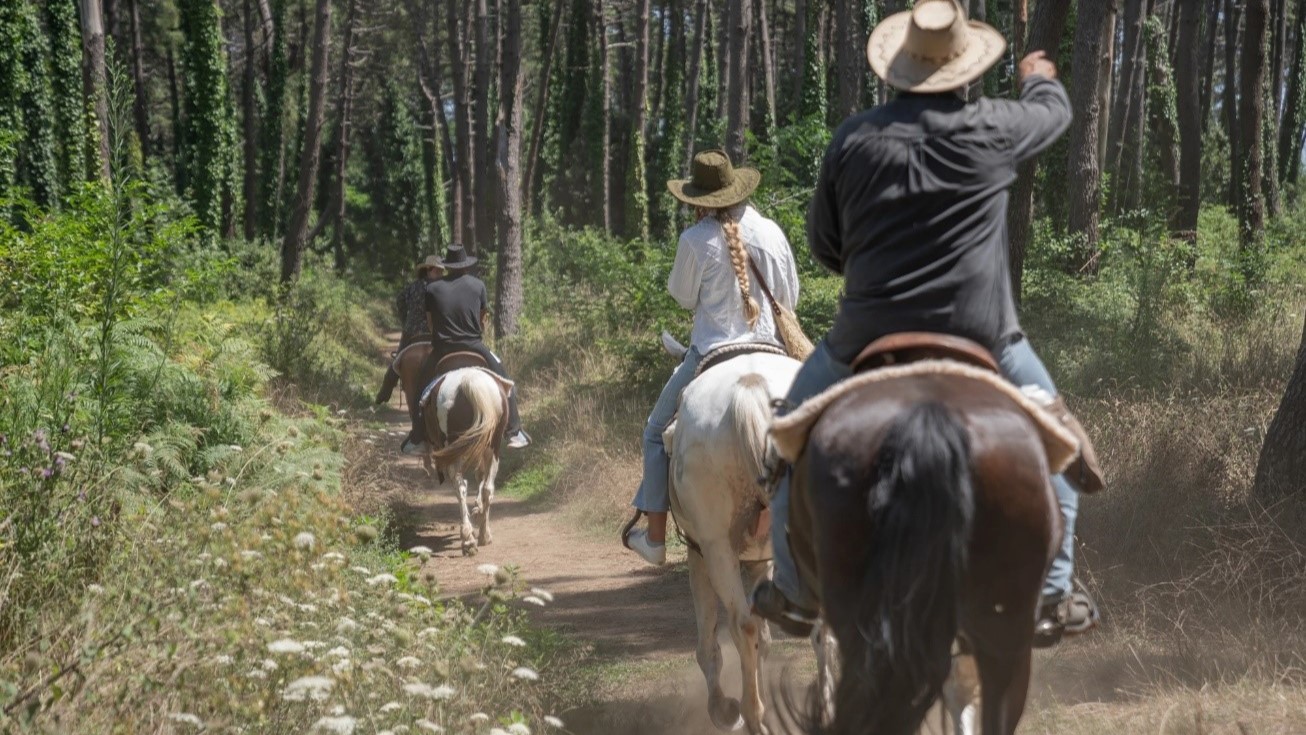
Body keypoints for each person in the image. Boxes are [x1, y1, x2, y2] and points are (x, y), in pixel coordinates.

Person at [750, 0, 1105, 646]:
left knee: (784, 447)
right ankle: (1053, 594)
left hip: (862, 341)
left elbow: (827, 243)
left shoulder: (853, 138)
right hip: (986, 337)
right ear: (966, 70)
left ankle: (797, 594)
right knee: (1063, 449)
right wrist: (1038, 76)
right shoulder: (993, 126)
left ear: (899, 70)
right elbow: (1055, 114)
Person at [622, 149, 800, 565]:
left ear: (700, 199)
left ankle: (655, 538)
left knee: (653, 431)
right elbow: (790, 298)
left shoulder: (694, 239)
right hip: (773, 348)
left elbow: (683, 298)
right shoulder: (771, 231)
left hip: (711, 352)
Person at [401, 244, 531, 454]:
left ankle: (417, 438)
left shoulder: (432, 288)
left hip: (443, 349)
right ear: (465, 265)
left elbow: (431, 322)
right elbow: (482, 321)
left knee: (420, 390)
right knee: (506, 381)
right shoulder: (478, 285)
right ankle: (514, 431)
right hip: (475, 346)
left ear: (448, 266)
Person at [376, 255, 443, 407]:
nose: (440, 274)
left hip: (411, 331)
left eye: (441, 272)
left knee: (397, 360)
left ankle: (385, 390)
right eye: (437, 271)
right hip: (436, 332)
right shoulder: (441, 288)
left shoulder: (413, 287)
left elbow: (400, 300)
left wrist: (405, 320)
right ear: (428, 270)